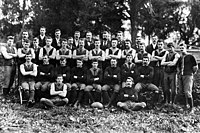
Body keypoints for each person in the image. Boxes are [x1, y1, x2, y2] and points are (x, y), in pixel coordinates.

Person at [178, 43, 198, 113]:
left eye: (182, 48)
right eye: (180, 48)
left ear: (185, 48)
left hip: (188, 75)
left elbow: (195, 66)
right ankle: (186, 106)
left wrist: (191, 73)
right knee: (182, 91)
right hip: (181, 75)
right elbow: (179, 66)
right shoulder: (180, 58)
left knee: (187, 92)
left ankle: (192, 108)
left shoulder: (190, 56)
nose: (181, 49)